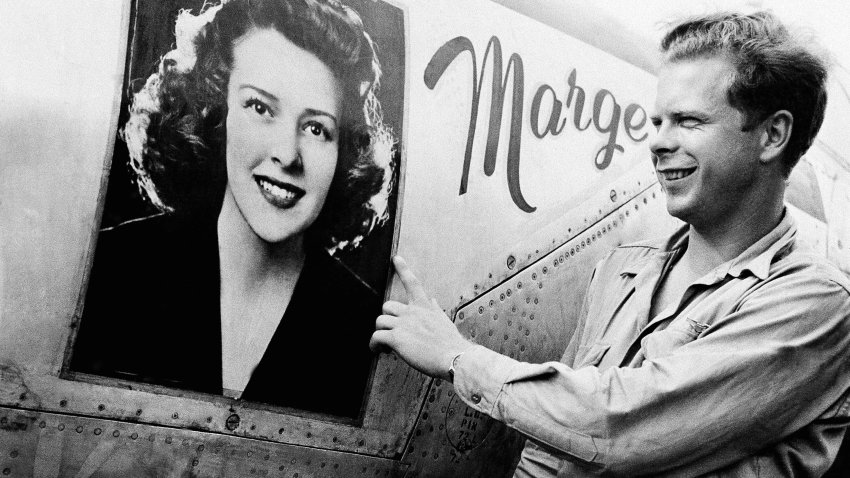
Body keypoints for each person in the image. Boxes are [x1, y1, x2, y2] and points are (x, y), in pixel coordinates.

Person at [371, 11, 850, 476]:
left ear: (773, 134)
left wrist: (458, 358)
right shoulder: (623, 269)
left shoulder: (818, 305)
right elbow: (550, 449)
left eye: (687, 121)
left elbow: (622, 428)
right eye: (658, 122)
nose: (658, 143)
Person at [71, 0, 395, 419]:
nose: (286, 155)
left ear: (345, 152)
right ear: (214, 110)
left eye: (317, 128)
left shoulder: (363, 326)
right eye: (260, 108)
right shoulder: (112, 268)